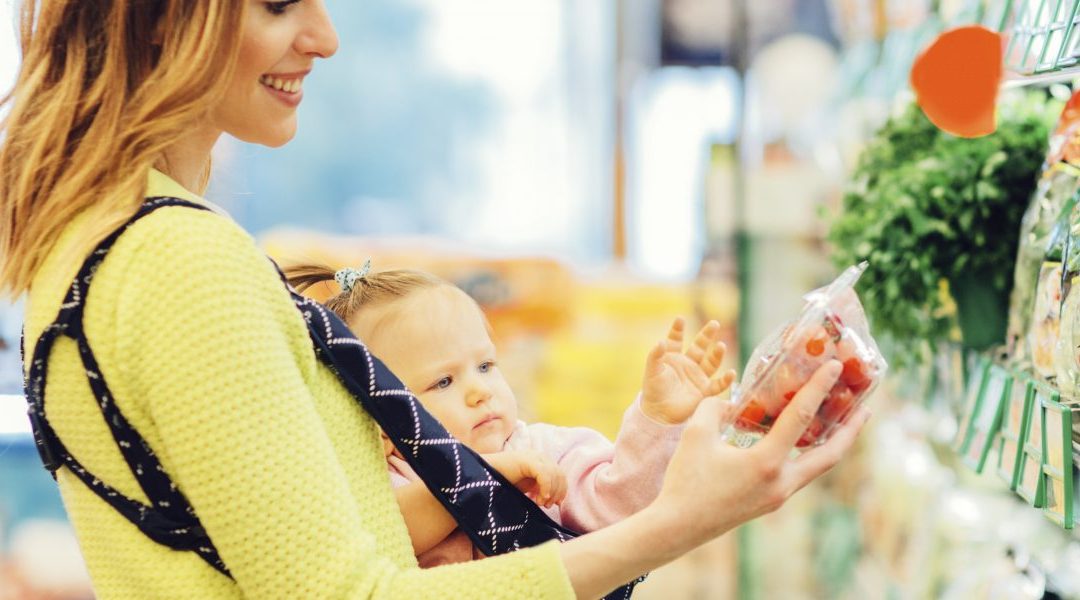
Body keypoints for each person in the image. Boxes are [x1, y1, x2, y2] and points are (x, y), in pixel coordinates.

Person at [0, 1, 870, 598]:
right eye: (275, 4)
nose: (325, 36)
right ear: (165, 19)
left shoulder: (87, 243)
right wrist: (683, 519)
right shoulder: (183, 258)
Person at [284, 265, 736, 566]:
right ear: (381, 419)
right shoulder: (385, 478)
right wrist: (489, 475)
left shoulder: (544, 451)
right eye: (444, 382)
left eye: (485, 366)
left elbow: (617, 507)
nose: (480, 391)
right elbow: (385, 534)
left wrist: (655, 417)